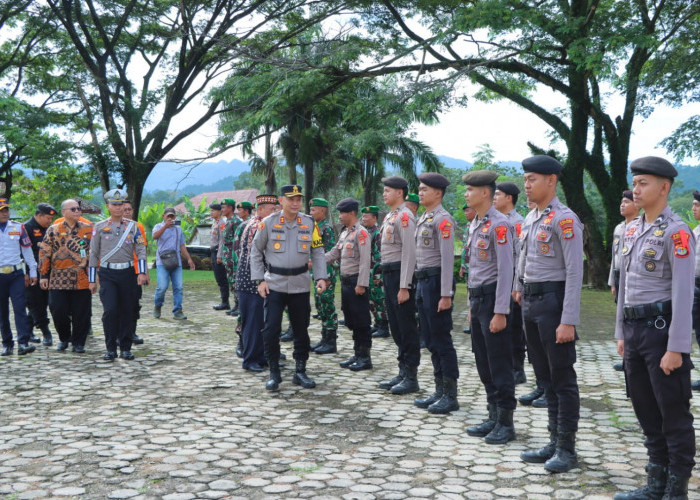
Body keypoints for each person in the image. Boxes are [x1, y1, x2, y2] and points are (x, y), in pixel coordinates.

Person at [612, 157, 695, 500]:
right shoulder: (631, 228)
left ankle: (676, 489)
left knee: (672, 412)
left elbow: (684, 292)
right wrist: (620, 331)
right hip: (634, 332)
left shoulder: (677, 231)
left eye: (643, 182)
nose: (636, 188)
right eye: (635, 181)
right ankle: (655, 482)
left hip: (661, 333)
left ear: (664, 187)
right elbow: (625, 287)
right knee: (645, 410)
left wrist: (677, 347)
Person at [513, 155, 583, 473]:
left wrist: (568, 319)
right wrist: (518, 286)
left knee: (562, 377)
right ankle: (553, 440)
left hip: (554, 303)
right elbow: (524, 258)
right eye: (525, 179)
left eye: (532, 179)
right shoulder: (530, 218)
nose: (526, 185)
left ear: (551, 181)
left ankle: (567, 449)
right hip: (531, 302)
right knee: (544, 377)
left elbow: (574, 271)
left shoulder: (564, 219)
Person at [250, 184, 328, 392]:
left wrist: (321, 276)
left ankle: (300, 371)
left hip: (300, 285)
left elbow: (318, 251)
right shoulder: (268, 223)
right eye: (291, 199)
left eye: (298, 199)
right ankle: (274, 373)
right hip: (274, 283)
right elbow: (256, 252)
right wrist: (260, 280)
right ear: (281, 201)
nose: (295, 203)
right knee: (271, 329)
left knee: (301, 330)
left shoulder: (309, 223)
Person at [463, 170, 516, 444]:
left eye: (471, 190)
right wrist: (472, 305)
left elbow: (506, 271)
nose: (466, 194)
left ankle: (506, 422)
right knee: (483, 362)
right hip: (478, 299)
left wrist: (500, 311)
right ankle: (493, 415)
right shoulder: (476, 223)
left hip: (494, 299)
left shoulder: (500, 225)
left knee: (499, 363)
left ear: (485, 193)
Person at [413, 173, 459, 414]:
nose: (420, 192)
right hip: (423, 282)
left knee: (441, 339)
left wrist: (445, 294)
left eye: (424, 189)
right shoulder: (426, 217)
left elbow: (447, 259)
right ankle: (439, 389)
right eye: (419, 189)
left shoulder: (443, 220)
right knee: (430, 339)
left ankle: (450, 394)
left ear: (438, 193)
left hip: (436, 282)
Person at [88, 188, 148, 361]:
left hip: (128, 273)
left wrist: (142, 272)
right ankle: (110, 348)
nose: (118, 208)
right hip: (107, 274)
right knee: (110, 310)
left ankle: (126, 348)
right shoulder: (99, 227)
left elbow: (141, 249)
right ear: (108, 206)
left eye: (120, 204)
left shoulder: (133, 226)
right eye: (114, 204)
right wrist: (92, 280)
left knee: (128, 311)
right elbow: (93, 253)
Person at [378, 176, 420, 395]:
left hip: (399, 276)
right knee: (395, 326)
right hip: (389, 274)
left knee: (406, 327)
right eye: (384, 190)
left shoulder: (405, 216)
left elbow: (409, 252)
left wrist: (404, 285)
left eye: (388, 191)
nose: (385, 194)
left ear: (400, 193)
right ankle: (402, 371)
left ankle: (411, 376)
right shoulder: (391, 216)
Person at [39, 199, 93, 353]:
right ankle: (64, 338)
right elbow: (44, 252)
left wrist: (95, 275)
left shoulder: (88, 229)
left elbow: (94, 253)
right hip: (58, 279)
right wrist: (43, 275)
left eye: (78, 209)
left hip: (81, 278)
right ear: (64, 212)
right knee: (58, 311)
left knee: (81, 313)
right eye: (73, 209)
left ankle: (78, 343)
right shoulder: (53, 229)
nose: (77, 211)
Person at [326, 198, 373, 371]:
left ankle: (365, 357)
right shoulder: (345, 233)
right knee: (352, 320)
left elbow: (365, 261)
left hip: (356, 283)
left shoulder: (361, 233)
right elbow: (334, 253)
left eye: (342, 213)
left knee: (362, 321)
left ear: (351, 213)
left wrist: (361, 284)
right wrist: (315, 262)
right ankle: (357, 353)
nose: (339, 216)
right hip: (346, 282)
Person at [236, 194, 278, 372]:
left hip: (255, 280)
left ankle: (260, 357)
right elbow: (261, 255)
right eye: (272, 209)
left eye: (276, 209)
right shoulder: (258, 226)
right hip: (252, 281)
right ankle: (251, 359)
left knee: (260, 321)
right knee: (253, 323)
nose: (275, 212)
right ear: (260, 210)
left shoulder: (257, 224)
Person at [494, 182, 528, 386]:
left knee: (514, 327)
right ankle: (504, 365)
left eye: (498, 195)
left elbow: (519, 257)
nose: (494, 198)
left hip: (513, 282)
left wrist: (516, 286)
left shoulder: (518, 223)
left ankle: (518, 368)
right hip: (497, 282)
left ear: (509, 198)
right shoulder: (495, 221)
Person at [0, 197, 37, 356]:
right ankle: (7, 344)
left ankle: (23, 342)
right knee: (2, 312)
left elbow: (27, 252)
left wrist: (33, 271)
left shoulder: (18, 227)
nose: (5, 213)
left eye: (6, 210)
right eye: (2, 211)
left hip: (16, 274)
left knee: (20, 308)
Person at [609, 190, 638, 373]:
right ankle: (625, 354)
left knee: (631, 317)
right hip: (620, 274)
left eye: (627, 202)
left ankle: (631, 356)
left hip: (633, 276)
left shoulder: (638, 227)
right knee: (621, 317)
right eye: (622, 202)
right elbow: (614, 256)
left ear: (637, 205)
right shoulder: (619, 228)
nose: (622, 205)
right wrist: (612, 280)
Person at [152, 207, 195, 320]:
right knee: (162, 287)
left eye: (172, 216)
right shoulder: (158, 226)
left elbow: (182, 245)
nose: (170, 218)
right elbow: (154, 236)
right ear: (163, 216)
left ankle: (178, 310)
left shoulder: (178, 229)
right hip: (162, 261)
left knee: (178, 287)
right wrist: (165, 227)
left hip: (176, 261)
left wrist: (189, 259)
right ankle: (158, 305)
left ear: (175, 217)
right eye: (168, 216)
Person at [24, 203, 57, 346]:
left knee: (41, 303)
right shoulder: (26, 228)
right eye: (47, 218)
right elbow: (22, 252)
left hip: (48, 272)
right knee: (36, 302)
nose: (50, 221)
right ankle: (46, 333)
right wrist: (25, 273)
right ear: (38, 215)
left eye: (51, 218)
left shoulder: (50, 230)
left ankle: (28, 331)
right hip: (32, 273)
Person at [308, 197, 339, 355]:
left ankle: (331, 341)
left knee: (327, 304)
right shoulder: (314, 227)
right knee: (320, 304)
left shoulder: (326, 228)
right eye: (310, 210)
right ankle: (324, 338)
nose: (311, 212)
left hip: (326, 272)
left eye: (314, 210)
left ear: (323, 210)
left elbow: (328, 252)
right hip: (316, 272)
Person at [122, 200, 148, 345]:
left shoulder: (138, 226)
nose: (126, 212)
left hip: (136, 270)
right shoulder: (111, 226)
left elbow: (142, 250)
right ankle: (120, 333)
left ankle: (132, 332)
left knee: (134, 303)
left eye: (129, 209)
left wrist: (145, 273)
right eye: (124, 209)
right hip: (119, 268)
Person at [361, 205, 389, 339]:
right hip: (368, 271)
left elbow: (379, 254)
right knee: (371, 300)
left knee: (379, 298)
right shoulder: (366, 232)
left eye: (366, 216)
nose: (363, 219)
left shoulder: (377, 233)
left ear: (374, 218)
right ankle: (377, 323)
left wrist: (377, 271)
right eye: (363, 216)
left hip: (376, 271)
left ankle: (384, 326)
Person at [217, 198, 238, 315]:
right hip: (227, 258)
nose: (222, 210)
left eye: (224, 207)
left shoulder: (236, 221)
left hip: (233, 258)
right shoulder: (227, 221)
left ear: (230, 208)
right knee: (231, 282)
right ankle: (235, 304)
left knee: (236, 282)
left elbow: (237, 242)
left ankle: (239, 305)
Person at [459, 204, 477, 334]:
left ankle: (474, 323)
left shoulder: (478, 225)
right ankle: (472, 323)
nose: (466, 213)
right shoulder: (467, 226)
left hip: (477, 268)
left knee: (474, 296)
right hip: (468, 268)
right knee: (469, 296)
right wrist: (462, 266)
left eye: (468, 210)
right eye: (464, 210)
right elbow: (465, 248)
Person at [209, 203, 230, 311]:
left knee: (222, 278)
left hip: (218, 252)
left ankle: (225, 302)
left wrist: (219, 256)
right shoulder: (215, 222)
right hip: (213, 251)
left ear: (219, 211)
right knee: (218, 278)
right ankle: (224, 301)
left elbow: (222, 240)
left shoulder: (222, 223)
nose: (211, 212)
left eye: (213, 210)